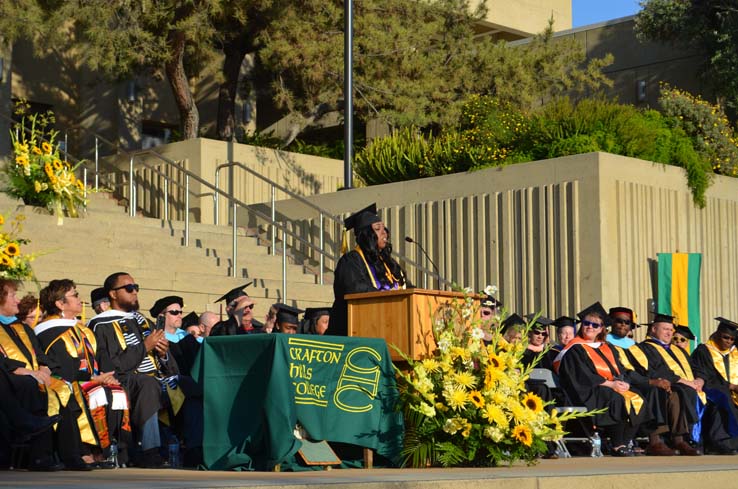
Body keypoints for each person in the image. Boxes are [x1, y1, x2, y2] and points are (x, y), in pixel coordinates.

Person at [35, 279, 130, 469]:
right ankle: (85, 450)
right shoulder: (49, 332)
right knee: (98, 392)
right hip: (65, 381)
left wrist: (107, 373)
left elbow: (100, 353)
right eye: (75, 295)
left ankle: (101, 450)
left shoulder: (81, 328)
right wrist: (92, 378)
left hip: (91, 378)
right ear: (60, 303)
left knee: (116, 390)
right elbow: (60, 366)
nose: (80, 300)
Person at [87, 272, 176, 468]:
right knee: (147, 383)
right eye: (129, 288)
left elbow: (170, 366)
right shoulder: (101, 325)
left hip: (153, 378)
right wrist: (145, 346)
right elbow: (112, 367)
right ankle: (149, 451)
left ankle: (194, 450)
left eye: (136, 287)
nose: (134, 291)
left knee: (189, 386)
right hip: (123, 380)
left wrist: (163, 354)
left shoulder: (142, 320)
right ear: (113, 294)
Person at [555, 302, 667, 457]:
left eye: (595, 325)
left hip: (609, 386)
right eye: (587, 323)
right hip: (587, 390)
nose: (590, 327)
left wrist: (623, 383)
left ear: (601, 329)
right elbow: (581, 376)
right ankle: (616, 444)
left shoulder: (607, 347)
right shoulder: (575, 349)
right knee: (615, 399)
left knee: (639, 398)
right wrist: (610, 384)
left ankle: (624, 441)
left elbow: (621, 369)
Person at [0, 278, 73, 470]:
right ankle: (39, 457)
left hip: (28, 379)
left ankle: (73, 455)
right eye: (12, 295)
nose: (17, 301)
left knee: (62, 389)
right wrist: (23, 371)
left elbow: (42, 356)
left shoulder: (22, 328)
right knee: (29, 386)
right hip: (13, 381)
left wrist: (43, 369)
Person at [628, 313, 704, 456]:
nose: (670, 332)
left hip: (682, 386)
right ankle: (655, 440)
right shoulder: (644, 348)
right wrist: (684, 381)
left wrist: (699, 380)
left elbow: (696, 368)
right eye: (665, 329)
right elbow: (655, 370)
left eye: (671, 329)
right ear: (653, 329)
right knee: (672, 393)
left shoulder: (677, 350)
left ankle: (679, 440)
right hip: (653, 384)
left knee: (680, 393)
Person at [330, 203, 410, 336]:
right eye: (378, 228)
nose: (384, 232)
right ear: (367, 234)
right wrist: (389, 296)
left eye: (384, 228)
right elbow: (355, 289)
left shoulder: (388, 263)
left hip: (387, 327)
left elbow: (404, 286)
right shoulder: (350, 261)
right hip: (353, 332)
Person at [690, 317, 738, 454]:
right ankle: (720, 442)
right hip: (711, 388)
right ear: (717, 333)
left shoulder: (735, 352)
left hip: (732, 389)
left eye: (732, 339)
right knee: (722, 398)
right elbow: (704, 374)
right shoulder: (704, 351)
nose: (728, 341)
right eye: (725, 337)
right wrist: (731, 386)